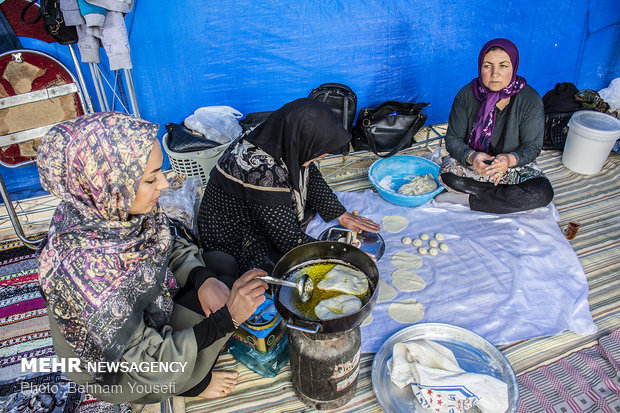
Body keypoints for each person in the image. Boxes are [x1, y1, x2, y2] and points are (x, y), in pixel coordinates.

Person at [36, 112, 268, 404]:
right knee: (215, 319)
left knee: (220, 268)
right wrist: (228, 319)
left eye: (160, 171)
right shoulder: (83, 270)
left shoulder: (112, 207)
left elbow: (167, 246)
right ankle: (192, 385)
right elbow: (154, 365)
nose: (163, 184)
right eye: (150, 178)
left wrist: (201, 278)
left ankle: (202, 343)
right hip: (127, 371)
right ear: (111, 183)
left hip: (146, 310)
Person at [197, 98, 380, 274]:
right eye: (320, 150)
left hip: (257, 210)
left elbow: (309, 173)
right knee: (291, 269)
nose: (324, 156)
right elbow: (288, 239)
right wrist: (340, 254)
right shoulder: (261, 172)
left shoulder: (279, 137)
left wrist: (339, 213)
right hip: (234, 238)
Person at [436, 38, 554, 213]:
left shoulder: (530, 99)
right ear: (480, 67)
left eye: (503, 66)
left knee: (542, 192)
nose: (495, 73)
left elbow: (532, 147)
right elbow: (453, 139)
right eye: (487, 66)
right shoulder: (467, 95)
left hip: (512, 165)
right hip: (475, 165)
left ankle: (469, 199)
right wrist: (472, 157)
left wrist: (507, 160)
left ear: (514, 67)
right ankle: (502, 197)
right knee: (448, 176)